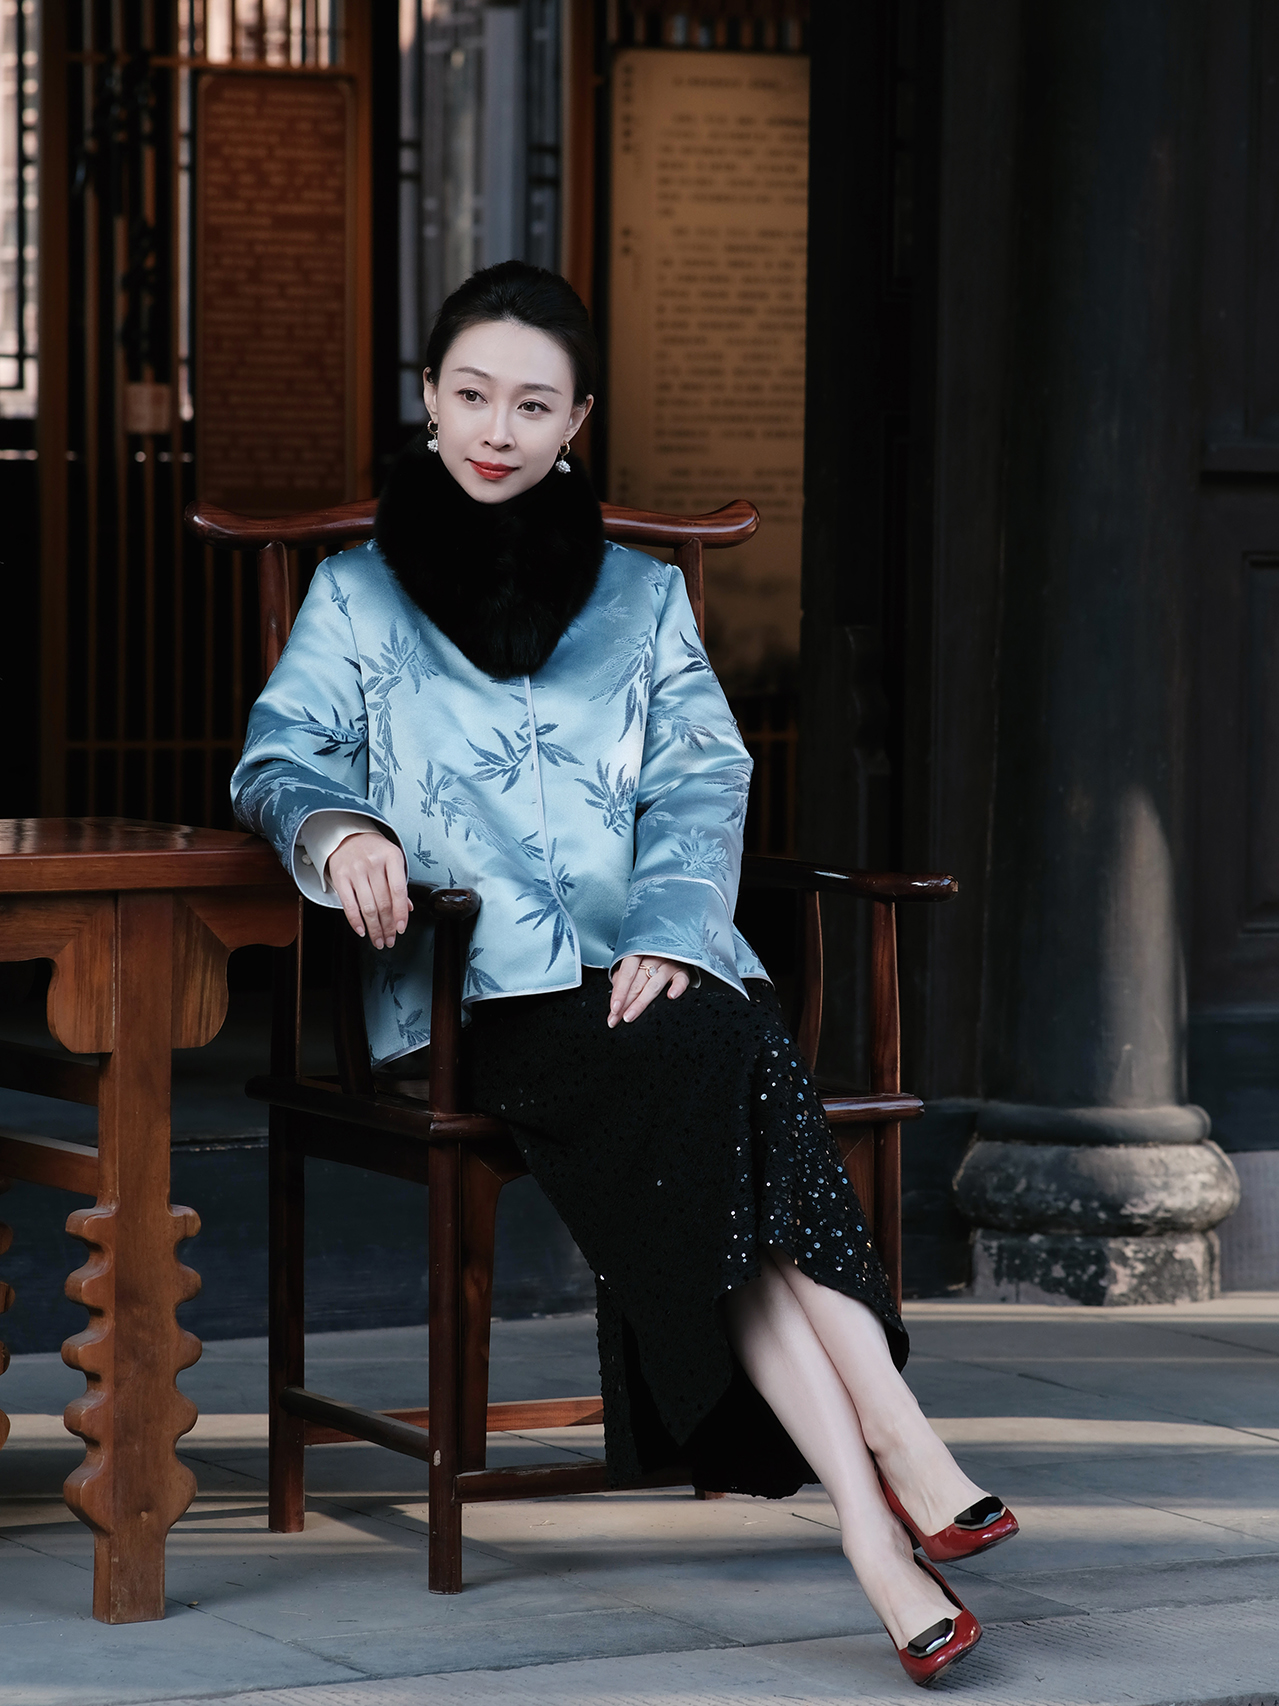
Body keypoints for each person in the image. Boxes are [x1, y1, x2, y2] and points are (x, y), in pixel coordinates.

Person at [231, 259, 1018, 1685]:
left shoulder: (642, 596)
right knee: (732, 1061)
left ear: (577, 421)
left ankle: (872, 1535)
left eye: (534, 404)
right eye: (473, 394)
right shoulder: (356, 596)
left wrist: (667, 924)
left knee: (714, 1060)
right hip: (474, 998)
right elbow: (277, 759)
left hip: (651, 969)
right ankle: (901, 1445)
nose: (498, 429)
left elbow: (705, 776)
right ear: (428, 396)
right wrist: (342, 830)